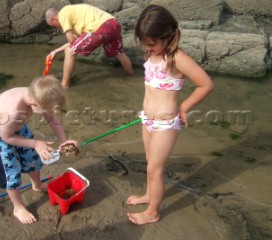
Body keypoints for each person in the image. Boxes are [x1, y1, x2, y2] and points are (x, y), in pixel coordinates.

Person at [126, 5, 214, 225]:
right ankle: (149, 195)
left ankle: (153, 212)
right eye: (145, 43)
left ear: (167, 36)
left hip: (166, 124)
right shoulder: (152, 53)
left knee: (155, 169)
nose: (149, 48)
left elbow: (205, 84)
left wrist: (184, 107)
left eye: (153, 43)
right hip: (147, 119)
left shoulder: (177, 58)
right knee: (149, 163)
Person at [0, 75, 78, 224]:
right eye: (46, 110)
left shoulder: (38, 94)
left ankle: (37, 184)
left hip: (17, 127)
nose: (49, 112)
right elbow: (6, 137)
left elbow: (51, 117)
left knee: (33, 158)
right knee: (10, 172)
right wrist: (35, 143)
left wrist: (64, 140)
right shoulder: (13, 111)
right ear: (33, 104)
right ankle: (18, 207)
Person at [45, 4, 134, 89]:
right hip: (113, 23)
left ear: (54, 19)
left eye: (53, 26)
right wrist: (55, 51)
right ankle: (131, 76)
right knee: (119, 53)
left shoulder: (63, 14)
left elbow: (71, 41)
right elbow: (75, 42)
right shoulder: (75, 16)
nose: (57, 28)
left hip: (101, 27)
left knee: (69, 51)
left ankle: (64, 85)